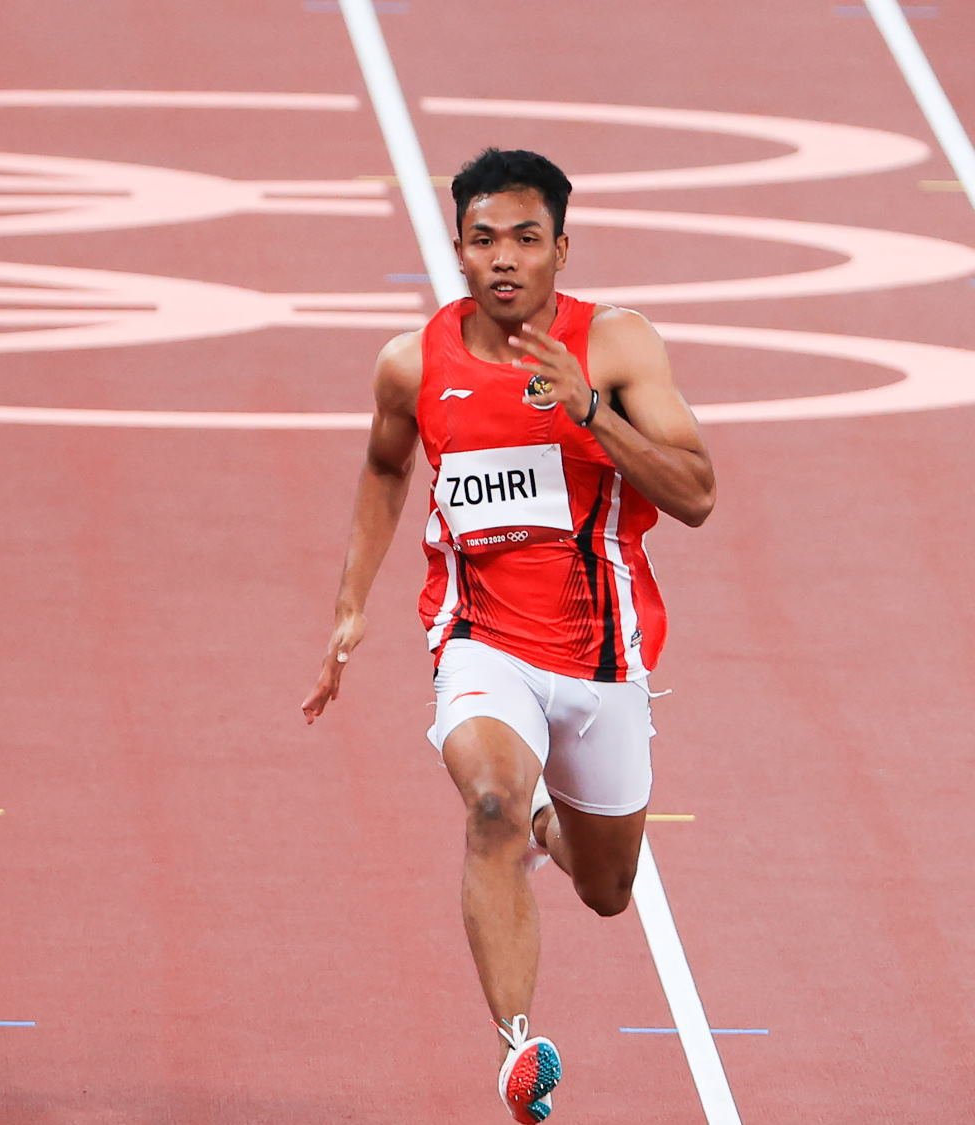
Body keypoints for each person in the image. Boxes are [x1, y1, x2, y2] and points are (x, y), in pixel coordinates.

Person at [301, 148, 714, 1122]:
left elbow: (696, 494)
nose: (502, 259)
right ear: (455, 249)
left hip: (603, 658)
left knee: (608, 890)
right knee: (485, 805)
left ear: (560, 250)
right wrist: (351, 604)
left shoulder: (614, 349)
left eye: (525, 239)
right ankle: (518, 1053)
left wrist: (587, 414)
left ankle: (544, 830)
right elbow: (383, 465)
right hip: (480, 642)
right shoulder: (412, 364)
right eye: (483, 239)